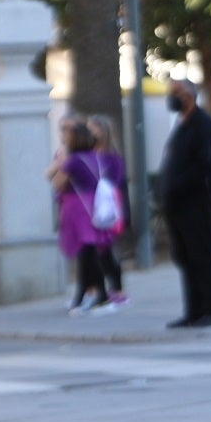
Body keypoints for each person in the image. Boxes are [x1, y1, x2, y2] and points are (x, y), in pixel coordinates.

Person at [158, 78, 211, 328]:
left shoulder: (202, 124)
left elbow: (205, 165)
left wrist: (180, 185)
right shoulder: (181, 125)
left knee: (201, 255)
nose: (171, 96)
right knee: (185, 257)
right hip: (176, 205)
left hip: (194, 202)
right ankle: (194, 310)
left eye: (175, 92)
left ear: (189, 95)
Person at [47, 115, 116, 316]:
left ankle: (98, 296)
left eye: (67, 133)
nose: (64, 136)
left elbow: (56, 183)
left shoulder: (73, 161)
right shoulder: (94, 156)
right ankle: (91, 295)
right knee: (90, 254)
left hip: (78, 210)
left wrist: (60, 163)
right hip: (92, 207)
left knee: (86, 255)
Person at [87, 114, 130, 308]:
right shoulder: (86, 155)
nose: (91, 133)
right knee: (92, 251)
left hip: (107, 208)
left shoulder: (112, 158)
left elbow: (117, 182)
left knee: (107, 249)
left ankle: (117, 288)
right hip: (89, 207)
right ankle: (95, 289)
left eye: (94, 128)